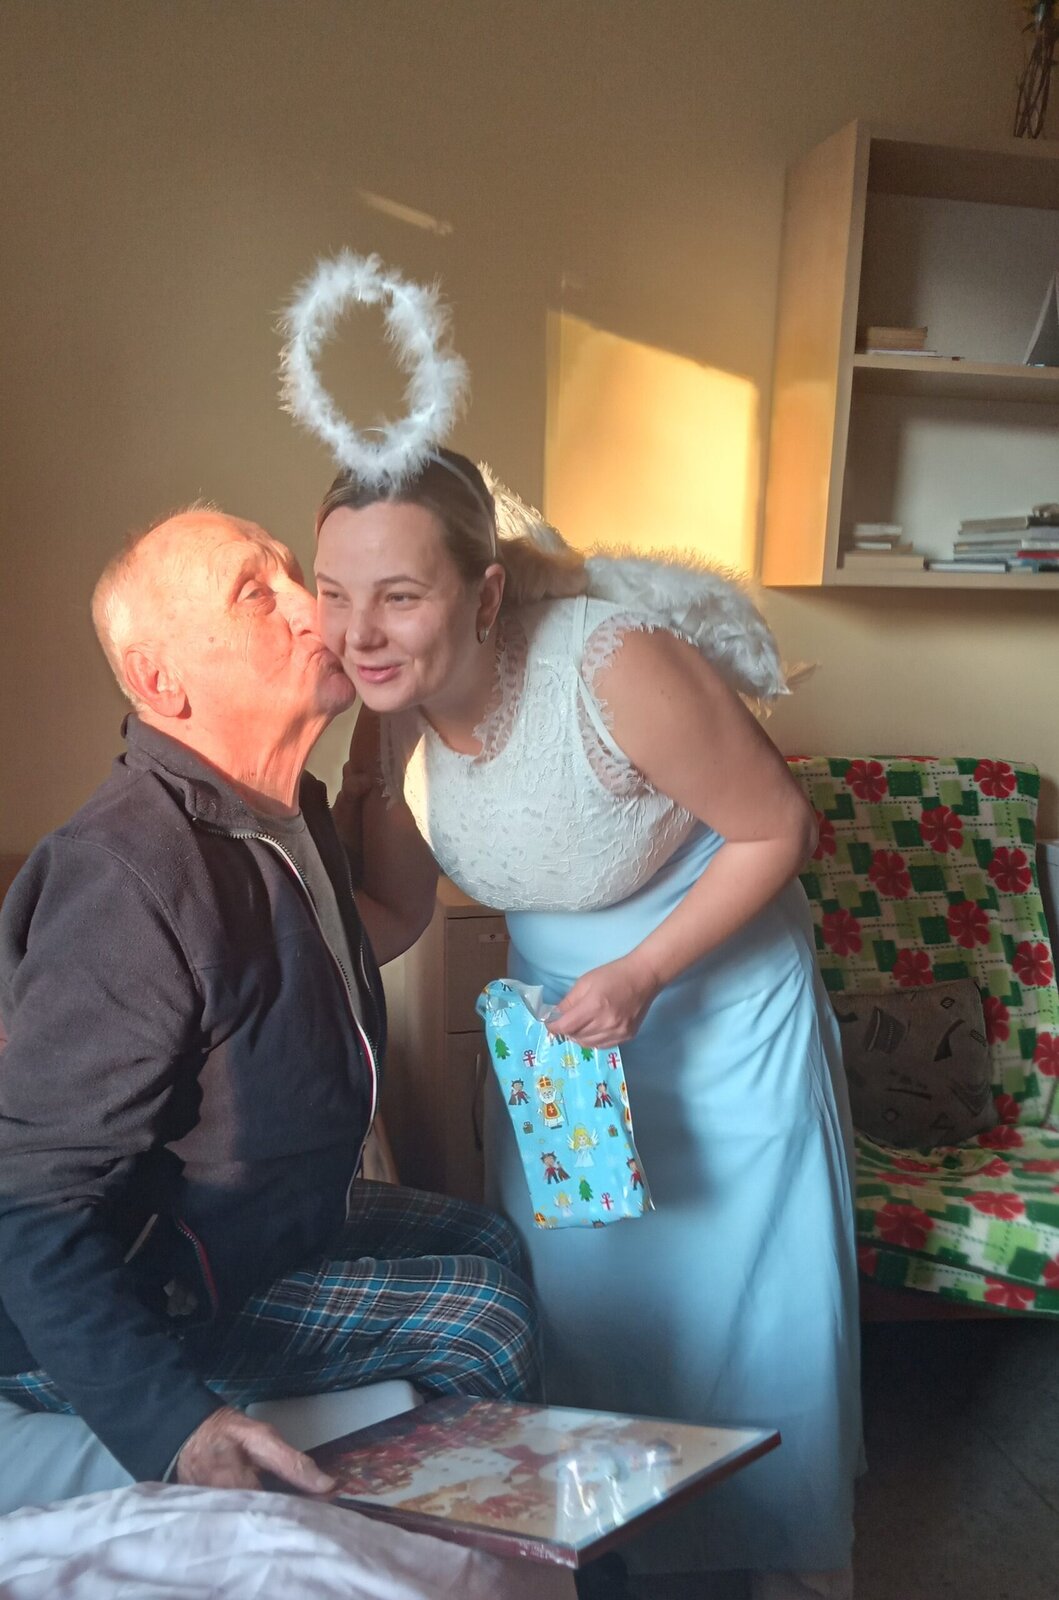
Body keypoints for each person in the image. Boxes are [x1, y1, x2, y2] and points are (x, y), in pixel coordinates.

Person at [313, 453, 862, 1599]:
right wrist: (265, 948)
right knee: (590, 1298)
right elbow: (398, 909)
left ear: (486, 593)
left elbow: (778, 827)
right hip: (563, 1040)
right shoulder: (391, 707)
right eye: (334, 592)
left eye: (399, 595)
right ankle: (618, 1551)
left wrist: (645, 971)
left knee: (741, 1306)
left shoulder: (614, 664)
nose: (359, 633)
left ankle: (760, 1554)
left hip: (714, 1004)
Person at [0, 508, 540, 1495]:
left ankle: (502, 1525)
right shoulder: (123, 876)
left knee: (489, 1237)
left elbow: (362, 936)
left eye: (299, 575)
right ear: (160, 681)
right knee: (482, 1316)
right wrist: (175, 1424)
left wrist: (392, 714)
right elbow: (30, 1207)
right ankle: (481, 1553)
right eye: (257, 592)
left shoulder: (279, 818)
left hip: (257, 1224)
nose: (311, 604)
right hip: (153, 1290)